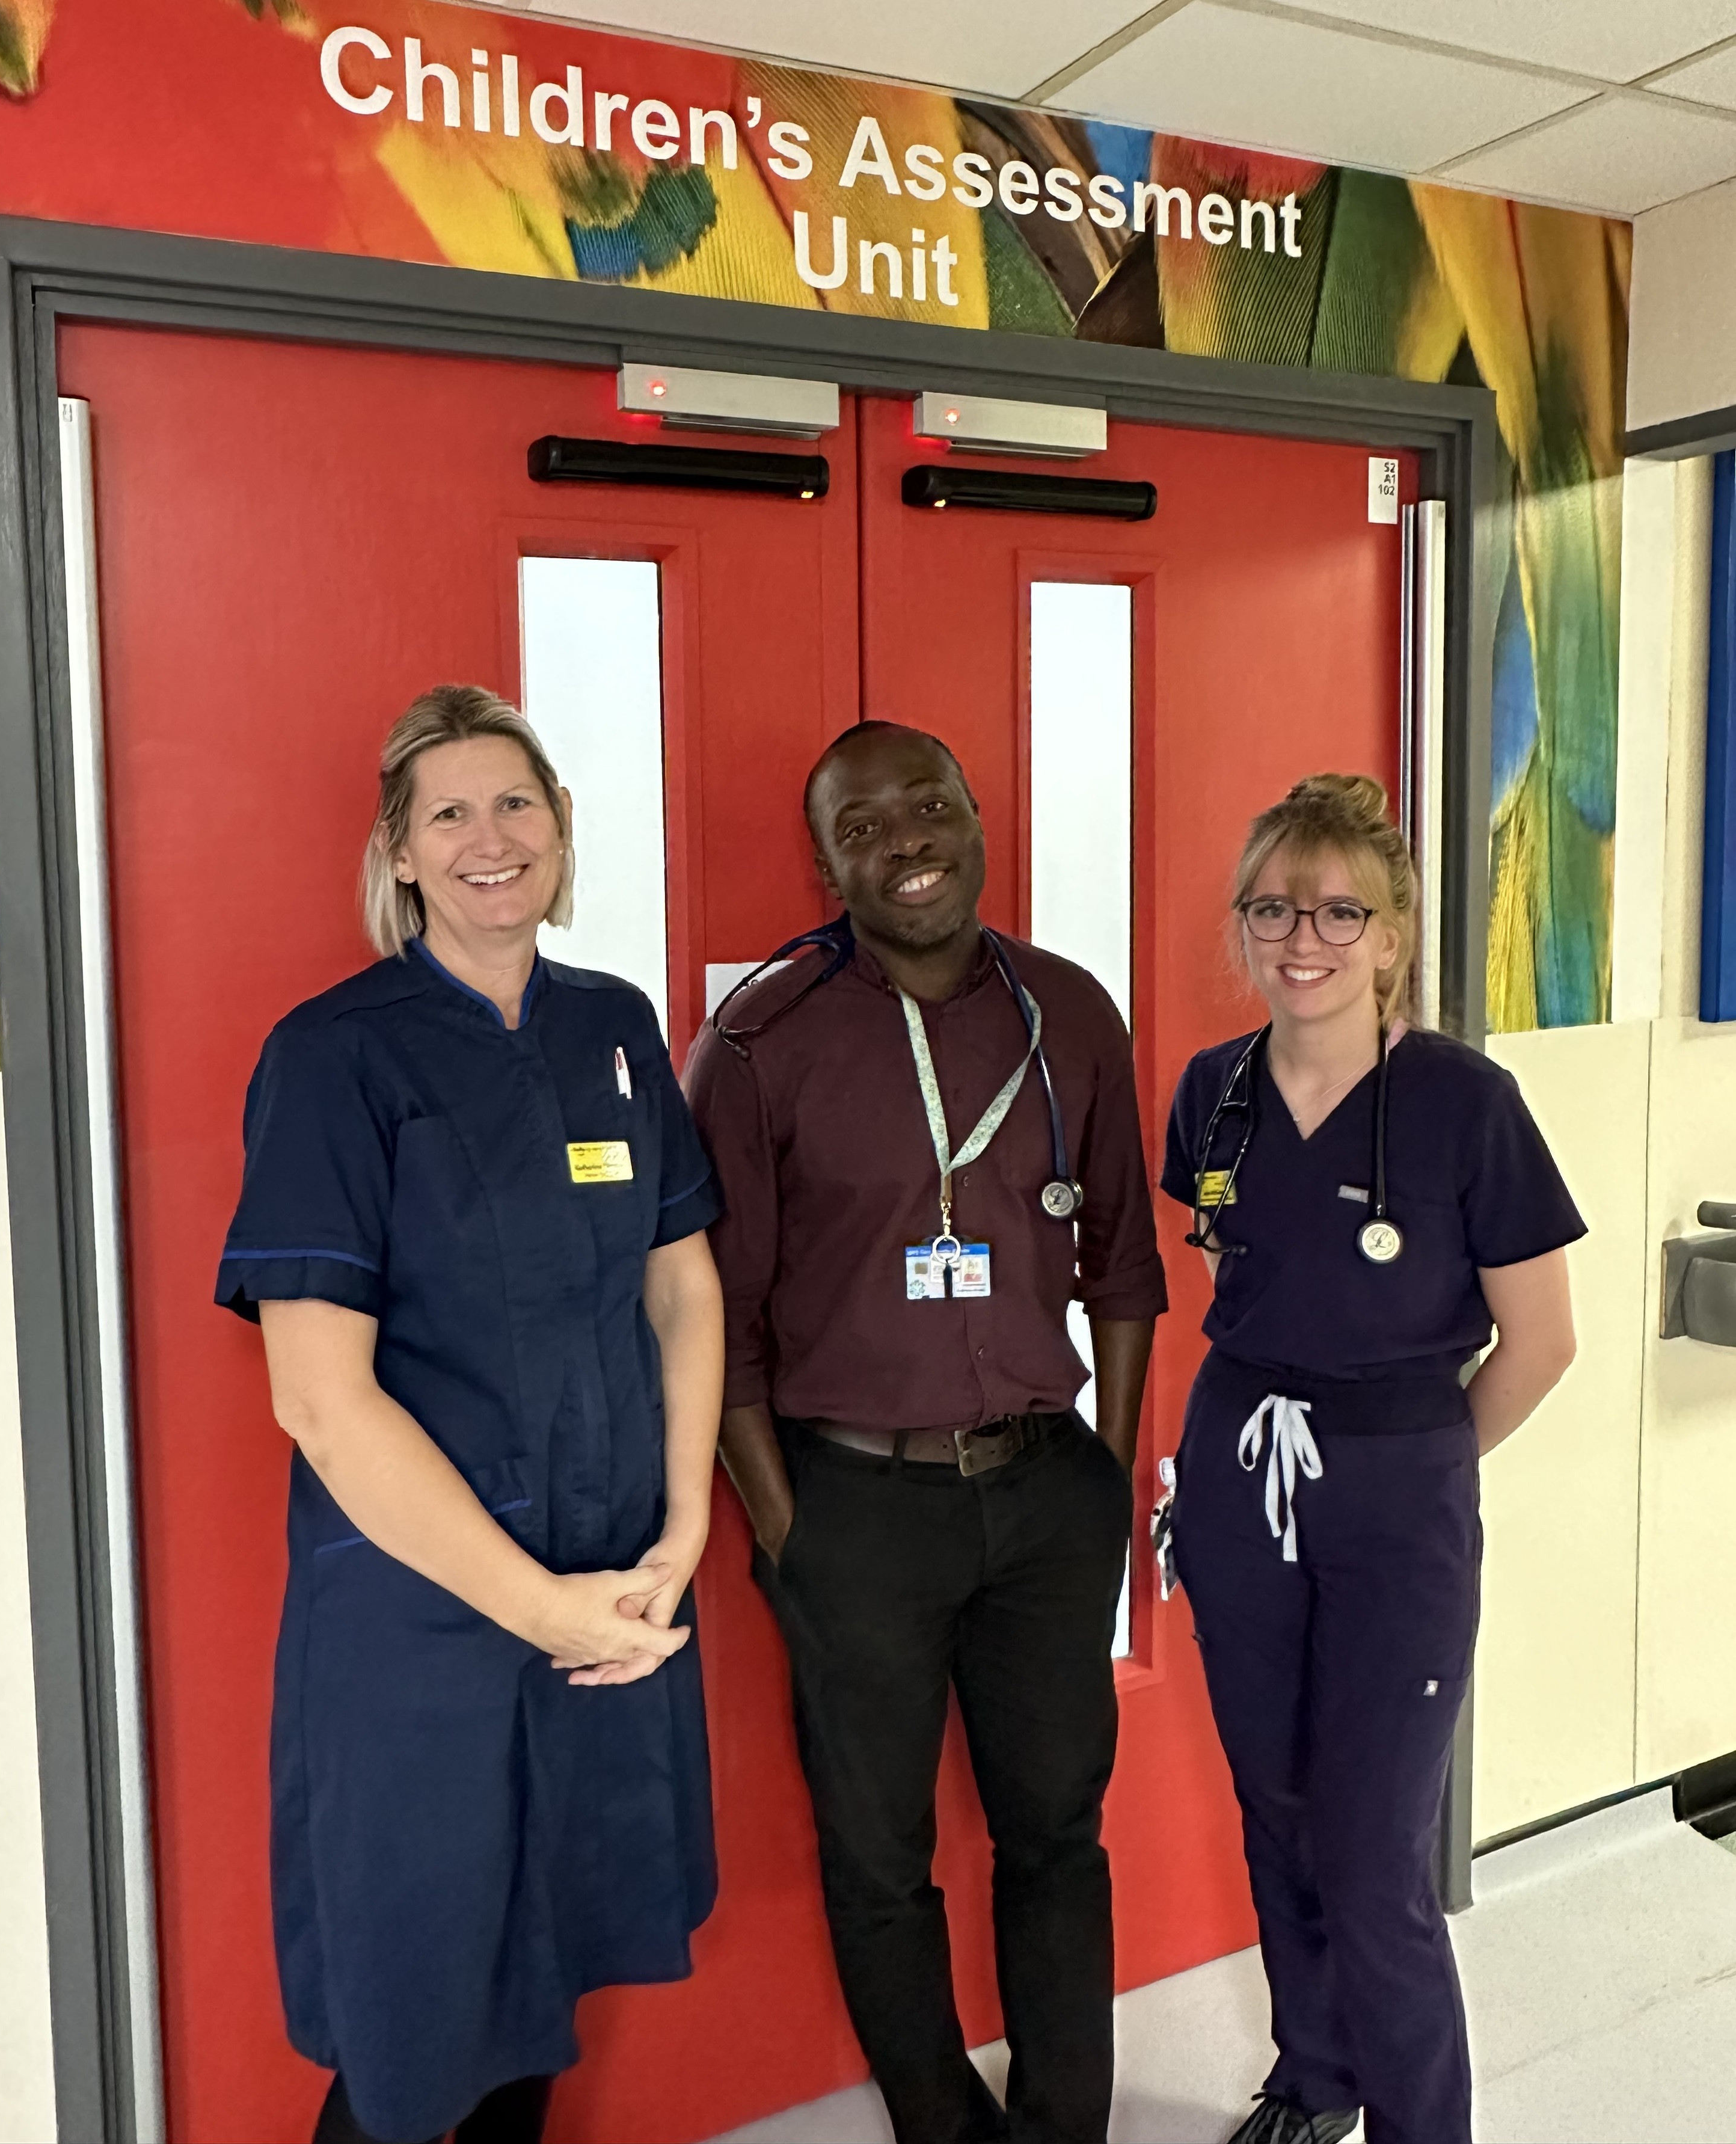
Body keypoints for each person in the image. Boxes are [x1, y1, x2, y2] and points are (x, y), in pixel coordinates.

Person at [214, 684, 725, 2144]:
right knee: (415, 2009)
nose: (488, 838)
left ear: (562, 828)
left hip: (614, 1571)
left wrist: (682, 1523)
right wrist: (534, 1606)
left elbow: (682, 1291)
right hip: (424, 1615)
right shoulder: (336, 1055)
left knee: (549, 1960)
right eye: (449, 811)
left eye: (517, 804)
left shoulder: (615, 1030)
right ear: (398, 851)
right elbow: (318, 1398)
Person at [683, 719, 1167, 2144]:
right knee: (878, 1859)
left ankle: (1067, 2119)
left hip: (1042, 1499)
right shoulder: (760, 1042)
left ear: (972, 809)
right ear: (827, 861)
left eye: (925, 804)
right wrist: (785, 1529)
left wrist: (1106, 1475)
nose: (904, 842)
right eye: (861, 826)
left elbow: (1125, 1269)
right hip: (852, 1511)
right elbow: (720, 1318)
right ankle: (940, 2125)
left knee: (1055, 1836)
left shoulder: (1069, 1012)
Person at [1160, 774, 1583, 2144]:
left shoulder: (1467, 1102)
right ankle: (1315, 2076)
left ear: (1395, 933)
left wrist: (1411, 1467)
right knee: (1275, 1807)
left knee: (1371, 1848)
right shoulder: (1211, 1097)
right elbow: (1233, 1276)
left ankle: (1420, 2123)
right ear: (1243, 923)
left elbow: (1539, 1341)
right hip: (1239, 1469)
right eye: (1276, 906)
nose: (1306, 937)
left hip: (1399, 1483)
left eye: (1343, 909)